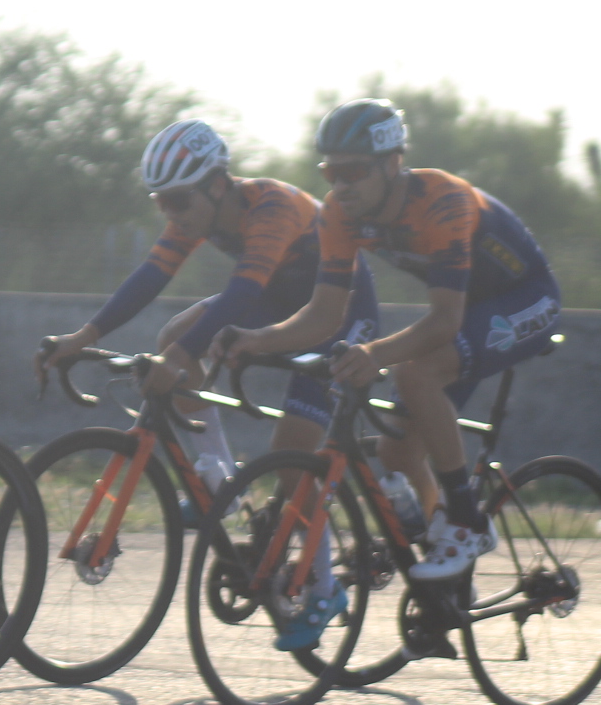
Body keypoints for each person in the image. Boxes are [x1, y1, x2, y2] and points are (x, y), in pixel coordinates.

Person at [39, 119, 378, 648]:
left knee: (291, 453)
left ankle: (325, 585)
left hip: (337, 312)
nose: (170, 214)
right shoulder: (197, 209)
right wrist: (83, 336)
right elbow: (150, 277)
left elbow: (242, 291)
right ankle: (215, 478)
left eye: (177, 202)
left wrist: (176, 358)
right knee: (177, 334)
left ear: (216, 185)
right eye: (161, 204)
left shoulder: (273, 207)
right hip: (276, 301)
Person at [227, 98, 561, 581]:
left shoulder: (441, 201)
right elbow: (323, 314)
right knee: (398, 455)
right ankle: (440, 566)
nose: (340, 186)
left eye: (354, 171)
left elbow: (444, 322)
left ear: (392, 163)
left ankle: (466, 521)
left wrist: (374, 352)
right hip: (470, 312)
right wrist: (256, 340)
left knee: (415, 374)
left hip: (525, 299)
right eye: (330, 173)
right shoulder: (340, 215)